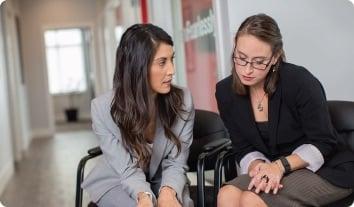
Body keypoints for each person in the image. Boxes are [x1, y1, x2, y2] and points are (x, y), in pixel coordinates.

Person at [216, 13, 354, 207]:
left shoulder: (300, 82)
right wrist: (261, 168)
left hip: (329, 169)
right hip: (273, 167)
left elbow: (324, 143)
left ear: (275, 57)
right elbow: (242, 147)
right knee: (227, 194)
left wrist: (279, 166)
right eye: (241, 58)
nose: (247, 70)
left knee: (251, 199)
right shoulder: (225, 92)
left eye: (258, 62)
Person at [82, 24, 195, 207]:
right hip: (117, 180)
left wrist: (168, 193)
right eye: (162, 62)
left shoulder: (183, 100)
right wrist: (144, 196)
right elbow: (126, 170)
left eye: (171, 59)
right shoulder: (102, 109)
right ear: (138, 67)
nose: (172, 70)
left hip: (165, 178)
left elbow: (176, 163)